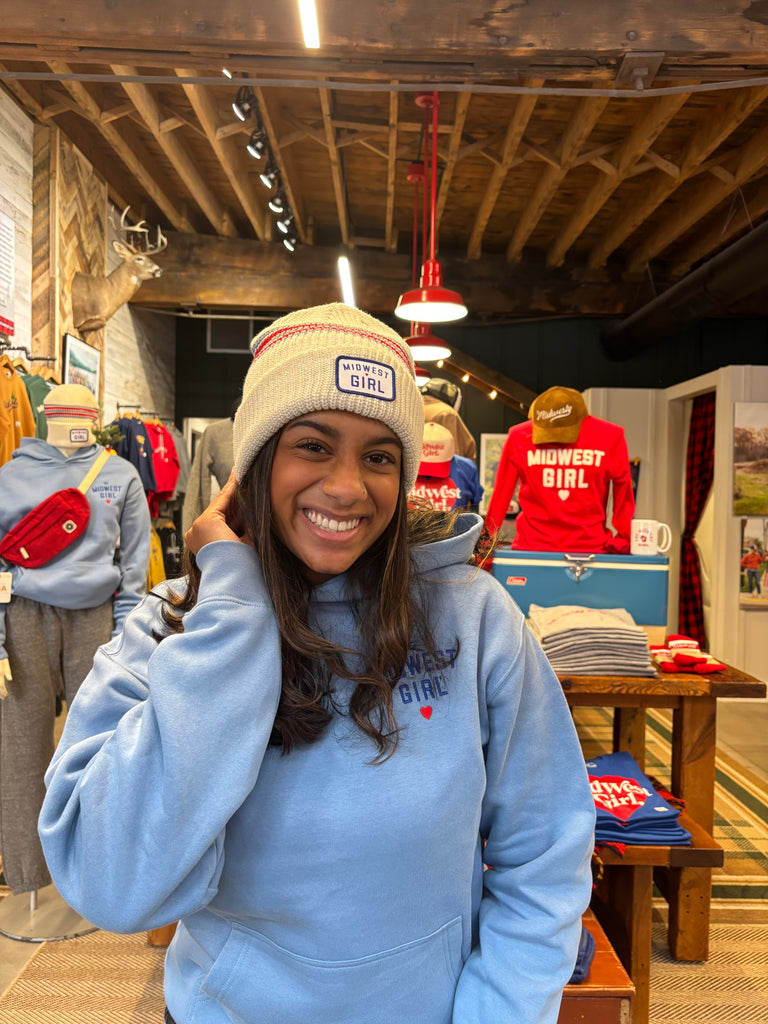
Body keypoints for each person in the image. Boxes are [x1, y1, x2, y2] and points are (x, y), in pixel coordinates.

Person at [39, 304, 595, 1024]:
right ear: (255, 463)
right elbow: (112, 884)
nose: (345, 487)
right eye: (313, 444)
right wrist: (234, 612)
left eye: (378, 456)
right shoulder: (172, 624)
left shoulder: (474, 617)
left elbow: (545, 850)